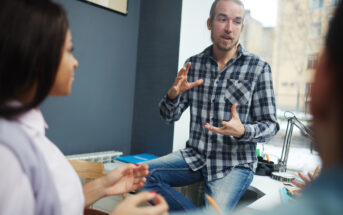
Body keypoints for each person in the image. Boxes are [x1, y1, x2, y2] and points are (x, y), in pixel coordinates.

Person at [0, 0, 168, 215]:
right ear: (36, 57)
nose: (75, 62)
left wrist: (105, 185)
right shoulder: (7, 154)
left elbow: (54, 207)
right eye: (69, 50)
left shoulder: (26, 131)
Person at [142, 0, 279, 212]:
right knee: (138, 175)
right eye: (222, 19)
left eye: (236, 21)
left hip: (234, 164)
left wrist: (243, 131)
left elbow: (271, 126)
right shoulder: (193, 65)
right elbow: (169, 116)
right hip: (195, 156)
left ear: (241, 27)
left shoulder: (259, 68)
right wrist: (172, 95)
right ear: (209, 23)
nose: (229, 28)